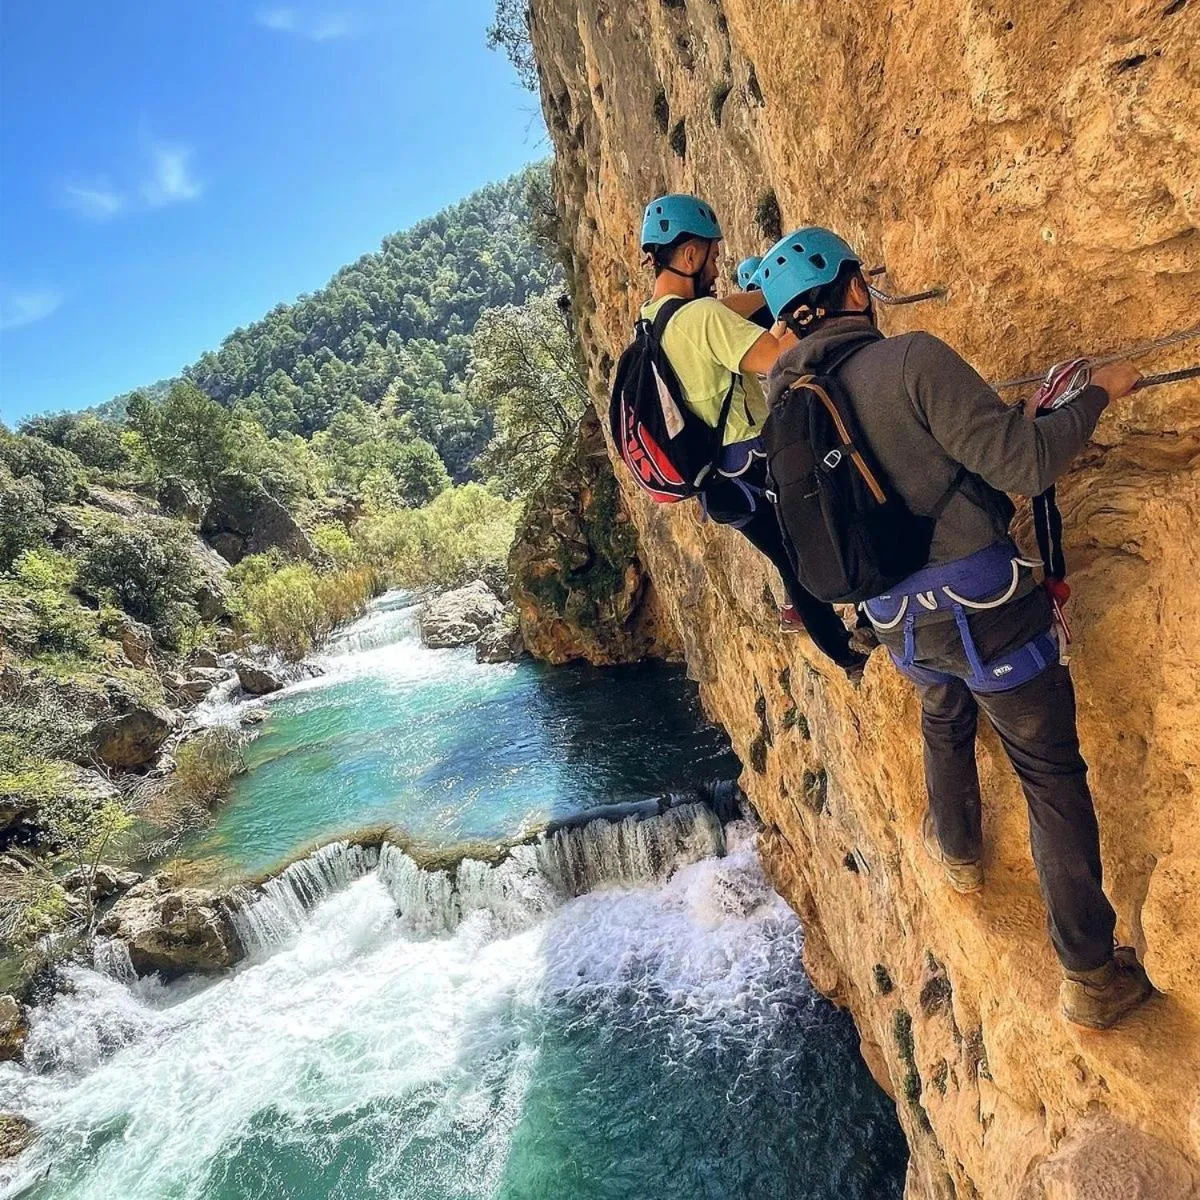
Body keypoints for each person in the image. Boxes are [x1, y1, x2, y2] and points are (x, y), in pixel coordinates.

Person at [754, 225, 1153, 1030]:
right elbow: (1027, 465)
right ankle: (1088, 973)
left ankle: (960, 854)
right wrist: (1100, 391)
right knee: (1048, 777)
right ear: (856, 290)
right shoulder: (912, 361)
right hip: (988, 611)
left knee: (943, 713)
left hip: (898, 623)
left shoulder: (785, 407)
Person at [638, 195, 869, 679]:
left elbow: (722, 310)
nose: (718, 264)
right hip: (753, 465)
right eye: (713, 254)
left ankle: (846, 654)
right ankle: (860, 637)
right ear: (689, 256)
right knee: (839, 516)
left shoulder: (654, 319)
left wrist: (767, 293)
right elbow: (777, 358)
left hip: (717, 485)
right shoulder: (701, 320)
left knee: (790, 560)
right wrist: (800, 310)